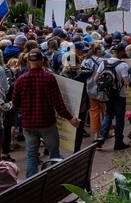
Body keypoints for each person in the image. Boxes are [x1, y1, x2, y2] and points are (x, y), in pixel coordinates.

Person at [8, 48, 79, 176]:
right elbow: (58, 103)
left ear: (29, 61)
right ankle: (54, 179)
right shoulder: (49, 78)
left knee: (31, 154)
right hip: (47, 122)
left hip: (29, 124)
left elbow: (15, 104)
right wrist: (70, 118)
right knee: (54, 153)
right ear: (42, 61)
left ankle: (31, 182)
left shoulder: (20, 80)